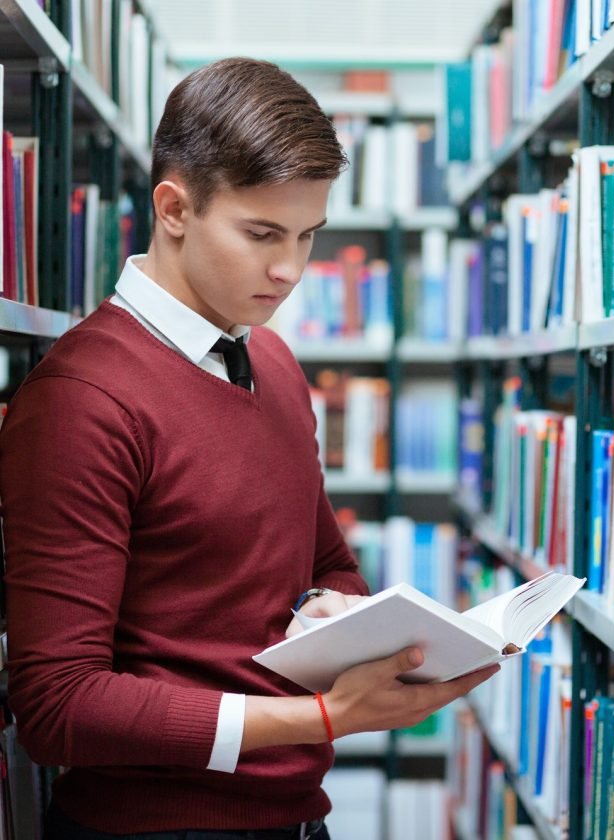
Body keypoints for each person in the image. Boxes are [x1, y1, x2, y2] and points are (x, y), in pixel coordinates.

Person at [0, 58, 498, 839]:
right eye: (262, 234)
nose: (290, 270)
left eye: (307, 236)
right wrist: (323, 715)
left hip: (298, 820)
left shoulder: (272, 363)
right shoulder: (81, 400)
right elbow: (59, 706)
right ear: (173, 208)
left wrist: (328, 611)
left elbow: (324, 562)